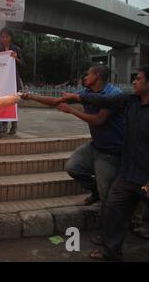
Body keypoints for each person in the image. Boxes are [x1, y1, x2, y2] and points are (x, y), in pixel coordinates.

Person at [22, 65, 125, 232]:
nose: (84, 77)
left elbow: (99, 120)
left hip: (111, 152)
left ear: (97, 76)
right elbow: (56, 101)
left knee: (108, 196)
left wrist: (71, 110)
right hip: (96, 146)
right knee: (73, 167)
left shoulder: (113, 95)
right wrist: (30, 96)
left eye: (88, 74)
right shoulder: (87, 92)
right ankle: (95, 191)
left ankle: (109, 235)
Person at [62, 66, 149, 261]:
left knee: (117, 205)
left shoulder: (123, 97)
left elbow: (100, 119)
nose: (134, 81)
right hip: (128, 172)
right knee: (114, 209)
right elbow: (102, 100)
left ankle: (136, 222)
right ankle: (111, 251)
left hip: (144, 174)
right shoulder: (129, 101)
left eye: (139, 79)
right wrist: (78, 98)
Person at [0, 27, 25, 136]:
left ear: (11, 37)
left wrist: (16, 58)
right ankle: (3, 126)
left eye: (7, 37)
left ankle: (14, 125)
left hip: (14, 81)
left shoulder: (16, 49)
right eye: (3, 37)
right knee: (2, 102)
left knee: (14, 102)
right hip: (2, 82)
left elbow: (23, 65)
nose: (5, 39)